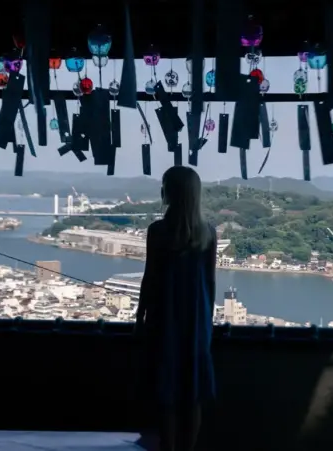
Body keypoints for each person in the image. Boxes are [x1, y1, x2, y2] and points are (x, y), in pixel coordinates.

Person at [136, 166, 217, 451]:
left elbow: (150, 277)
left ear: (169, 191)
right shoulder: (208, 233)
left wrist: (140, 317)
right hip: (197, 319)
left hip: (164, 317)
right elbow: (210, 281)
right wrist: (207, 321)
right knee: (192, 394)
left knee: (166, 393)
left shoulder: (158, 231)